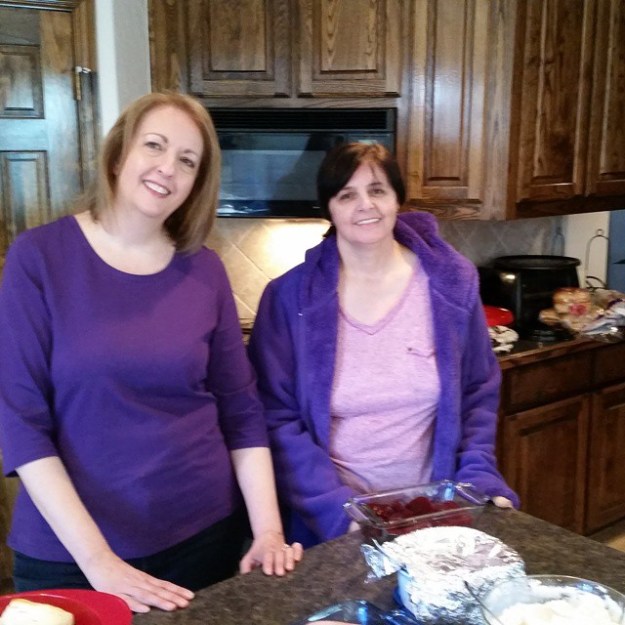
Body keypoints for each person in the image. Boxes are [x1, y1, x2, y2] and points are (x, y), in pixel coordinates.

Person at [0, 92, 302, 614]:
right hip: (72, 552)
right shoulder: (39, 257)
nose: (168, 168)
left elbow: (241, 411)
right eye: (155, 146)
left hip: (204, 537)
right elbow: (20, 422)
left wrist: (267, 531)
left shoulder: (205, 269)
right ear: (120, 154)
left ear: (196, 182)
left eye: (187, 161)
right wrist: (100, 561)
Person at [248, 142, 518, 548]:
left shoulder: (450, 281)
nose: (365, 205)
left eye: (377, 190)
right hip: (335, 526)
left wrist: (478, 478)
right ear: (329, 208)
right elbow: (276, 418)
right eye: (346, 195)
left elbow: (477, 391)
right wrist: (338, 512)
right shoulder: (289, 298)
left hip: (436, 517)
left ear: (397, 198)